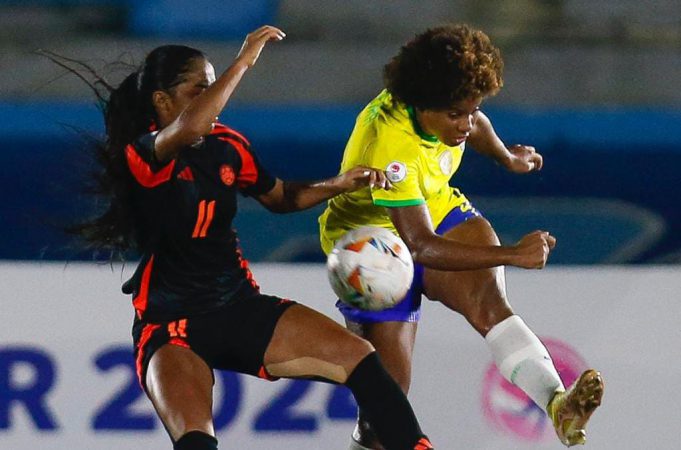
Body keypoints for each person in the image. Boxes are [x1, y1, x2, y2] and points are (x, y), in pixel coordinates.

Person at [53, 26, 434, 450]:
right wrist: (244, 62)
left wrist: (339, 183)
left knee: (362, 360)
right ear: (162, 101)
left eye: (213, 87)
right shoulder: (143, 154)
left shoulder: (228, 147)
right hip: (171, 329)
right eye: (200, 89)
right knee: (196, 441)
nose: (215, 98)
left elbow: (282, 197)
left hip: (239, 307)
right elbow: (191, 127)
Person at [319, 24, 604, 449]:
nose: (466, 124)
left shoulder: (445, 102)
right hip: (371, 247)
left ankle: (557, 403)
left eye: (472, 110)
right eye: (456, 115)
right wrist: (511, 254)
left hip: (432, 207)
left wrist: (506, 157)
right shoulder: (392, 146)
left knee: (491, 306)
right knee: (385, 409)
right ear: (422, 105)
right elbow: (419, 246)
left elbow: (475, 121)